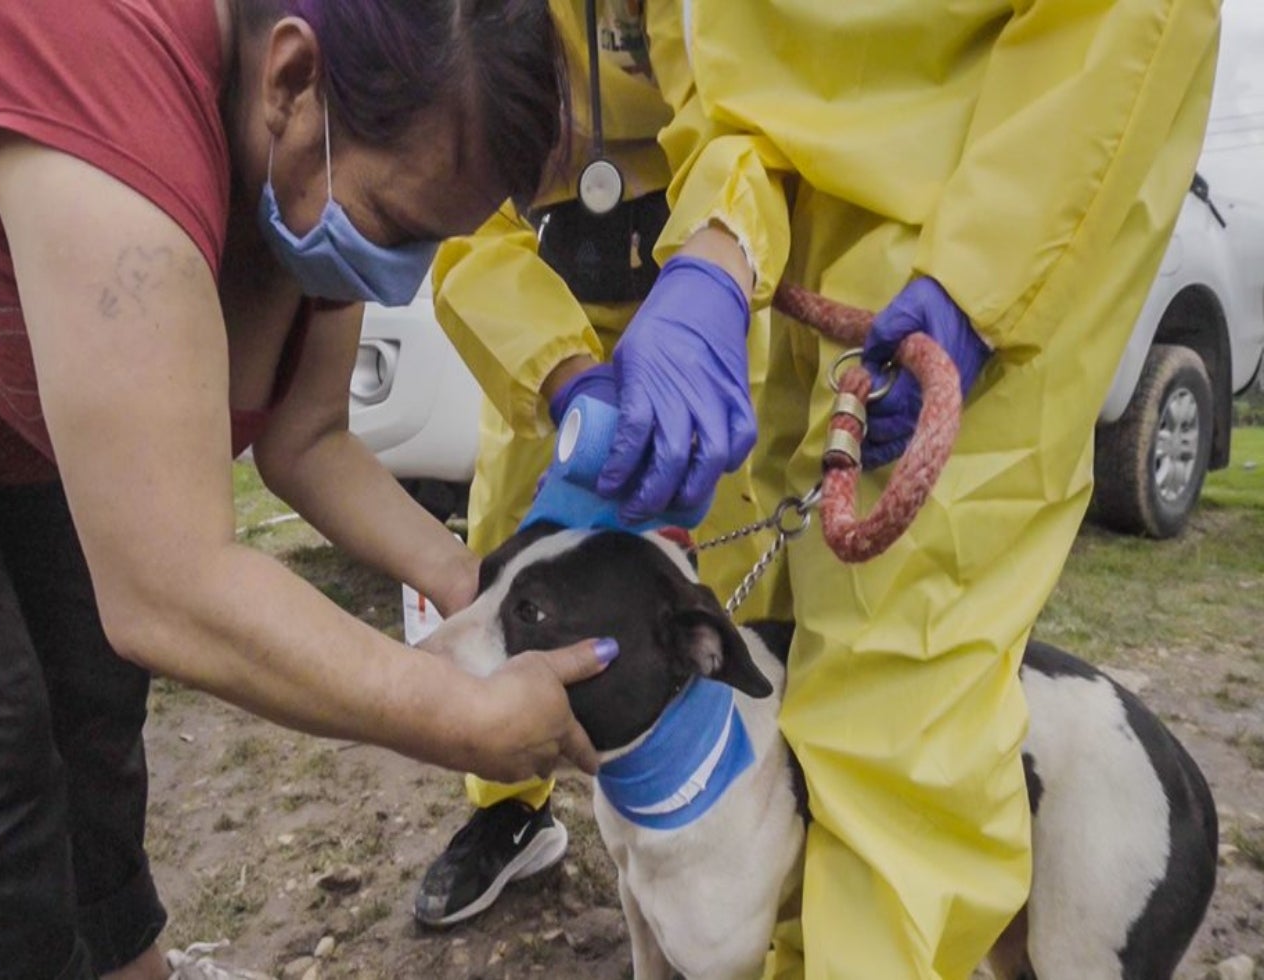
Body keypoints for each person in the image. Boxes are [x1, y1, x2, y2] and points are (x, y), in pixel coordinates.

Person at [426, 1, 1222, 977]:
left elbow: (1123, 25)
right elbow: (735, 79)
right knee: (802, 691)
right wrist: (719, 252)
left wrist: (981, 282)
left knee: (894, 721)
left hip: (970, 247)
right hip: (794, 261)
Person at [0, 2, 614, 979]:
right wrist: (456, 713)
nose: (401, 283)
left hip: (4, 384)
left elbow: (308, 437)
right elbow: (168, 588)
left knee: (93, 691)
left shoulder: (324, 141)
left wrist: (468, 579)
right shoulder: (95, 82)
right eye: (401, 228)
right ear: (289, 77)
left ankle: (130, 962)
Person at [414, 0, 777, 928]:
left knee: (718, 591)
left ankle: (760, 852)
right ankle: (510, 814)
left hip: (699, 305)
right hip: (548, 323)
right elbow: (466, 218)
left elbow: (751, 116)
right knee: (513, 576)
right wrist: (565, 373)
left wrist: (712, 278)